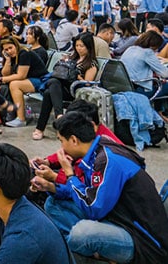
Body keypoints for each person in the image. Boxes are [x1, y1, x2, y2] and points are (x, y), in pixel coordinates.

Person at [32, 113, 168, 263]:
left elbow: (93, 207)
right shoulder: (98, 149)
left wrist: (70, 175)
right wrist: (51, 187)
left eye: (61, 141)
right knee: (53, 205)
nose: (61, 148)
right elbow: (88, 193)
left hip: (141, 241)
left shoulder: (109, 161)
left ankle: (88, 254)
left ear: (73, 140)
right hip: (116, 219)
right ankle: (90, 251)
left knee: (82, 233)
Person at [30, 99, 123, 186]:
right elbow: (70, 150)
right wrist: (48, 161)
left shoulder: (103, 156)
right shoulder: (88, 139)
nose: (62, 146)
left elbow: (86, 190)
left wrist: (55, 177)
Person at [32, 32, 98, 140]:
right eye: (77, 45)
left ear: (89, 47)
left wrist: (75, 75)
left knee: (50, 89)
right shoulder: (71, 58)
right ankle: (59, 117)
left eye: (82, 46)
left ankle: (40, 129)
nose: (79, 48)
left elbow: (87, 83)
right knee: (53, 84)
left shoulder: (91, 64)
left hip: (73, 90)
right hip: (59, 87)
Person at [0, 37, 48, 128]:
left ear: (15, 45)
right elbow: (5, 73)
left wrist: (1, 80)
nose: (9, 51)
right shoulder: (12, 56)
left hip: (41, 80)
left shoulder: (24, 53)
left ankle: (21, 119)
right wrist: (7, 60)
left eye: (10, 48)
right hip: (30, 79)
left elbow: (21, 75)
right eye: (6, 50)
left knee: (15, 84)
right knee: (11, 82)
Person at [120, 30, 168, 99]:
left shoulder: (130, 49)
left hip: (126, 87)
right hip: (140, 90)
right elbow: (165, 73)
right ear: (153, 45)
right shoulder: (147, 52)